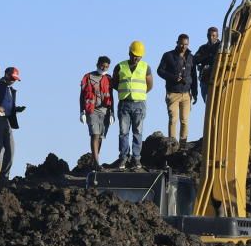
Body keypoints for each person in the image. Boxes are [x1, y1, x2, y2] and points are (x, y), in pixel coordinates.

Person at [113, 40, 153, 169]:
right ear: (129, 53)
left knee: (137, 132)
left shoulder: (145, 67)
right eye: (134, 54)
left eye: (139, 55)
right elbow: (115, 83)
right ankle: (123, 158)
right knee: (123, 132)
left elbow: (149, 84)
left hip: (139, 104)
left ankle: (136, 159)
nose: (136, 57)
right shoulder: (120, 66)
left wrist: (139, 93)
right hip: (124, 103)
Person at [156, 34, 197, 144]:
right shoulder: (168, 55)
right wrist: (174, 78)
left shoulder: (191, 57)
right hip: (173, 93)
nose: (184, 46)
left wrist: (195, 92)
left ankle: (183, 144)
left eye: (186, 44)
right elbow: (160, 71)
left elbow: (194, 76)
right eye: (181, 44)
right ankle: (172, 144)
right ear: (177, 42)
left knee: (184, 121)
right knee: (173, 119)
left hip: (187, 94)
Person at [0, 67, 25, 182]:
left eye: (15, 79)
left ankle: (4, 177)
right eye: (12, 78)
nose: (14, 81)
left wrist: (16, 109)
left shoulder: (10, 89)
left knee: (11, 149)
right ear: (7, 75)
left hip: (7, 120)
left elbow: (7, 105)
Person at [80, 56, 114, 167]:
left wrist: (112, 112)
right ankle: (96, 162)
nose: (104, 68)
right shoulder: (87, 77)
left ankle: (94, 160)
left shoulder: (108, 78)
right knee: (94, 134)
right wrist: (82, 112)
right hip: (92, 110)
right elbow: (82, 96)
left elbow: (112, 96)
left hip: (105, 111)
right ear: (97, 64)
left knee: (100, 137)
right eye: (102, 66)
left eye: (106, 67)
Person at [193, 26, 220, 103]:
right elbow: (195, 60)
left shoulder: (222, 46)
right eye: (209, 35)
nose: (211, 37)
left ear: (217, 36)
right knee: (207, 103)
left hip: (218, 79)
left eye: (213, 36)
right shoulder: (203, 48)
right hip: (205, 79)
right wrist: (207, 56)